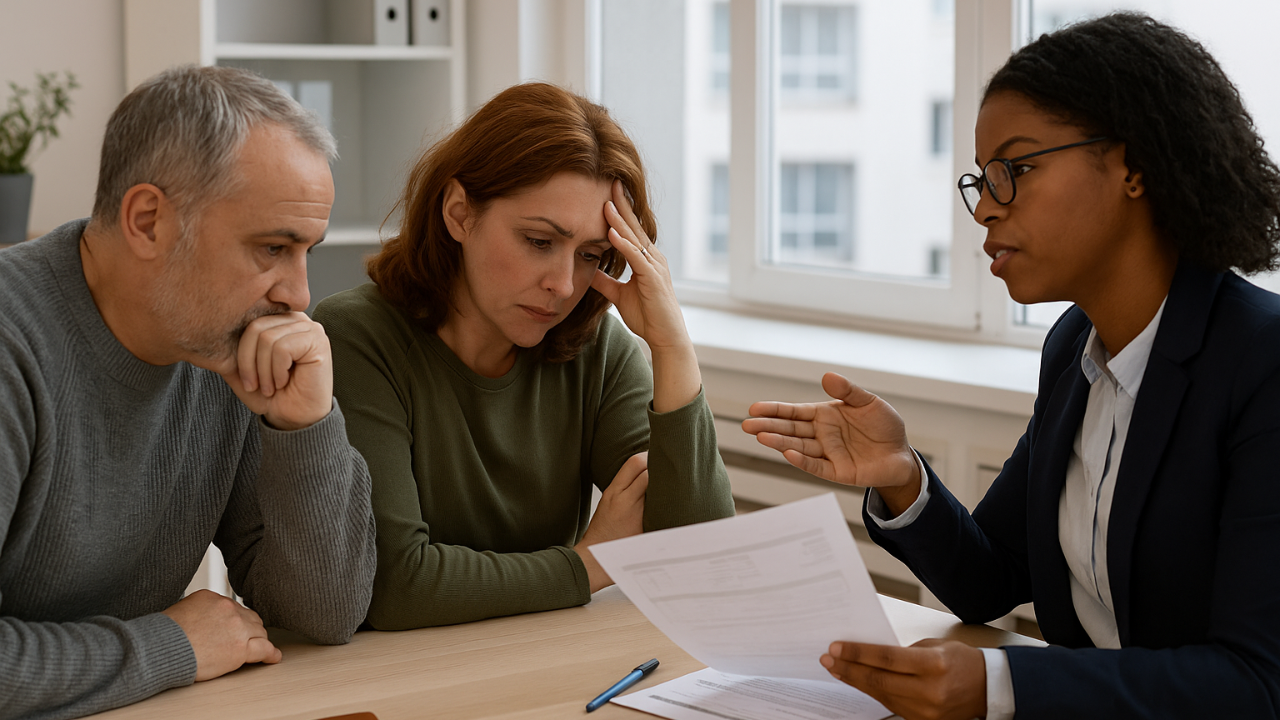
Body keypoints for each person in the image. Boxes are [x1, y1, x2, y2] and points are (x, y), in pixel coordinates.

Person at [742, 13, 1280, 720]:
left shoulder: (1260, 363)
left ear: (1135, 166)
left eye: (1016, 170)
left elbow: (1255, 684)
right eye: (981, 180)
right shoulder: (1073, 348)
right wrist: (904, 478)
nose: (986, 210)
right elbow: (990, 580)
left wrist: (1005, 687)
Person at [0, 65, 377, 720]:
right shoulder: (13, 344)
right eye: (272, 248)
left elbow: (322, 616)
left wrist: (306, 427)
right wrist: (168, 644)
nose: (300, 296)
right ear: (148, 221)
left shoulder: (222, 346)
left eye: (306, 251)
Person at [313, 82, 735, 629]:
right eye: (539, 241)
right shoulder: (354, 336)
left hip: (537, 672)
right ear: (460, 213)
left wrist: (672, 348)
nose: (564, 285)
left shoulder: (599, 353)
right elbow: (393, 585)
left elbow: (706, 569)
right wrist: (589, 564)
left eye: (590, 255)